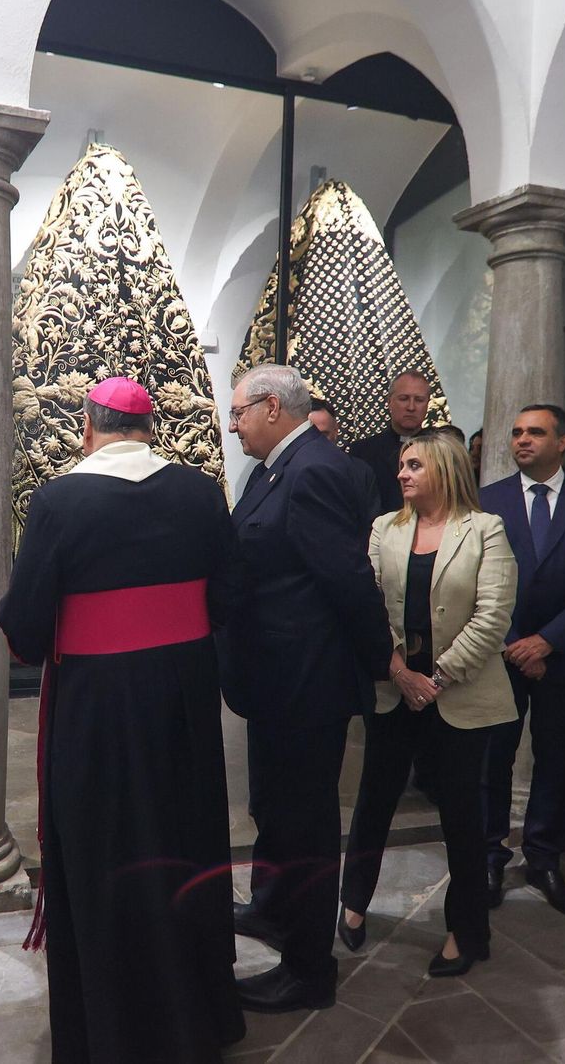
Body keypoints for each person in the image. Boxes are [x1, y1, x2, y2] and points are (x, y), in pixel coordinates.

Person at [0, 377, 244, 1063]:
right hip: (185, 703)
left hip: (98, 709)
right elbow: (226, 596)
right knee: (185, 841)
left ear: (88, 426)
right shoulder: (199, 491)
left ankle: (111, 1032)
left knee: (106, 852)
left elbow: (23, 626)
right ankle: (197, 1019)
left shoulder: (59, 499)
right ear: (150, 428)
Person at [219, 364, 391, 1013]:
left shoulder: (313, 470)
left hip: (305, 682)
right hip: (273, 680)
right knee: (276, 811)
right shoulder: (273, 470)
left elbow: (347, 580)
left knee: (307, 824)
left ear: (271, 407)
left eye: (238, 412)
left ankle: (307, 969)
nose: (231, 425)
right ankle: (273, 907)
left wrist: (381, 661)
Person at [340, 432, 516, 975]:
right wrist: (399, 671)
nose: (402, 474)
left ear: (443, 469)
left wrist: (433, 678)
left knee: (463, 816)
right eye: (401, 465)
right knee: (373, 803)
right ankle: (352, 904)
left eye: (414, 464)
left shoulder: (485, 530)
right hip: (395, 691)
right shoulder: (383, 530)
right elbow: (367, 606)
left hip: (458, 696)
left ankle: (464, 928)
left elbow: (493, 617)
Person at [479, 405, 565, 918]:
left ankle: (544, 857)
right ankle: (490, 854)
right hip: (500, 652)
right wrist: (516, 641)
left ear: (562, 442)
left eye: (534, 432)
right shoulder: (487, 499)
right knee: (493, 759)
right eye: (516, 432)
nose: (522, 440)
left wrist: (548, 642)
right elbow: (478, 577)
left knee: (557, 759)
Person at [350, 369, 432, 514]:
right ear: (389, 401)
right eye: (404, 398)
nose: (411, 407)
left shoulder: (443, 451)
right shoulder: (362, 452)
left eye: (419, 400)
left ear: (427, 404)